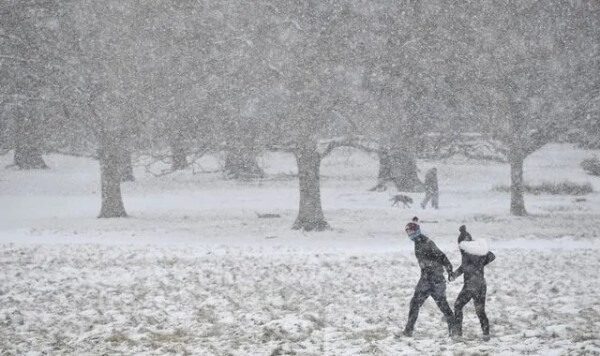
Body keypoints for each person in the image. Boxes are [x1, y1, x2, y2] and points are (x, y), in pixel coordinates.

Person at [402, 217, 456, 337]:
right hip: (427, 278)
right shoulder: (417, 242)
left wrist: (450, 270)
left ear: (416, 230)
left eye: (410, 231)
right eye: (407, 232)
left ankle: (454, 330)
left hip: (434, 279)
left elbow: (442, 256)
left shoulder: (426, 242)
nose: (409, 235)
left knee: (441, 305)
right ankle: (408, 331)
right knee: (417, 303)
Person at [449, 225, 496, 340]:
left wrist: (456, 274)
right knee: (480, 310)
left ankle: (458, 334)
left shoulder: (467, 253)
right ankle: (486, 334)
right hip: (481, 285)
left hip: (471, 285)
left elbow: (466, 267)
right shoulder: (476, 254)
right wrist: (481, 259)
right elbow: (491, 256)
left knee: (458, 305)